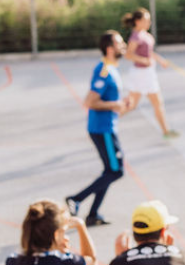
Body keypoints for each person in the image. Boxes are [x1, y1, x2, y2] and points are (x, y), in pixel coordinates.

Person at [65, 30, 136, 227]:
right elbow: (90, 101)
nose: (123, 47)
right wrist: (115, 105)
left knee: (109, 171)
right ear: (109, 48)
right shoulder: (103, 70)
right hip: (101, 129)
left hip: (107, 127)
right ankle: (76, 199)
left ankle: (93, 214)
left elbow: (109, 103)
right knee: (116, 171)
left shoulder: (112, 69)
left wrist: (122, 105)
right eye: (120, 44)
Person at [121, 8, 179, 139]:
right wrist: (144, 60)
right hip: (141, 74)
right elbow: (128, 55)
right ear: (137, 21)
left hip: (147, 73)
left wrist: (160, 60)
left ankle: (166, 132)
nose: (149, 23)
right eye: (146, 20)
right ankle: (107, 121)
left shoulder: (144, 34)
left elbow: (148, 52)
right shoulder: (136, 36)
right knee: (140, 104)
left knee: (143, 104)